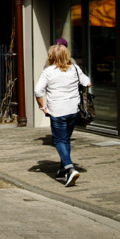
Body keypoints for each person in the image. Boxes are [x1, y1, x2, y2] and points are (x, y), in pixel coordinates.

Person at [35, 43, 91, 187]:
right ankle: (62, 169)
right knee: (65, 139)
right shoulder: (74, 68)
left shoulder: (48, 71)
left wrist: (42, 107)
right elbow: (88, 83)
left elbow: (38, 91)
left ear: (51, 57)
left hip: (57, 111)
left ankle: (69, 168)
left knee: (59, 140)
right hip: (73, 110)